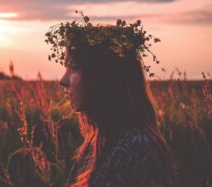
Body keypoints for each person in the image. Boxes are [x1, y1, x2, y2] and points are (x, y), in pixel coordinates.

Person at [45, 12, 179, 187]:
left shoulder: (137, 148)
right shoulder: (101, 141)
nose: (63, 80)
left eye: (74, 67)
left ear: (103, 77)